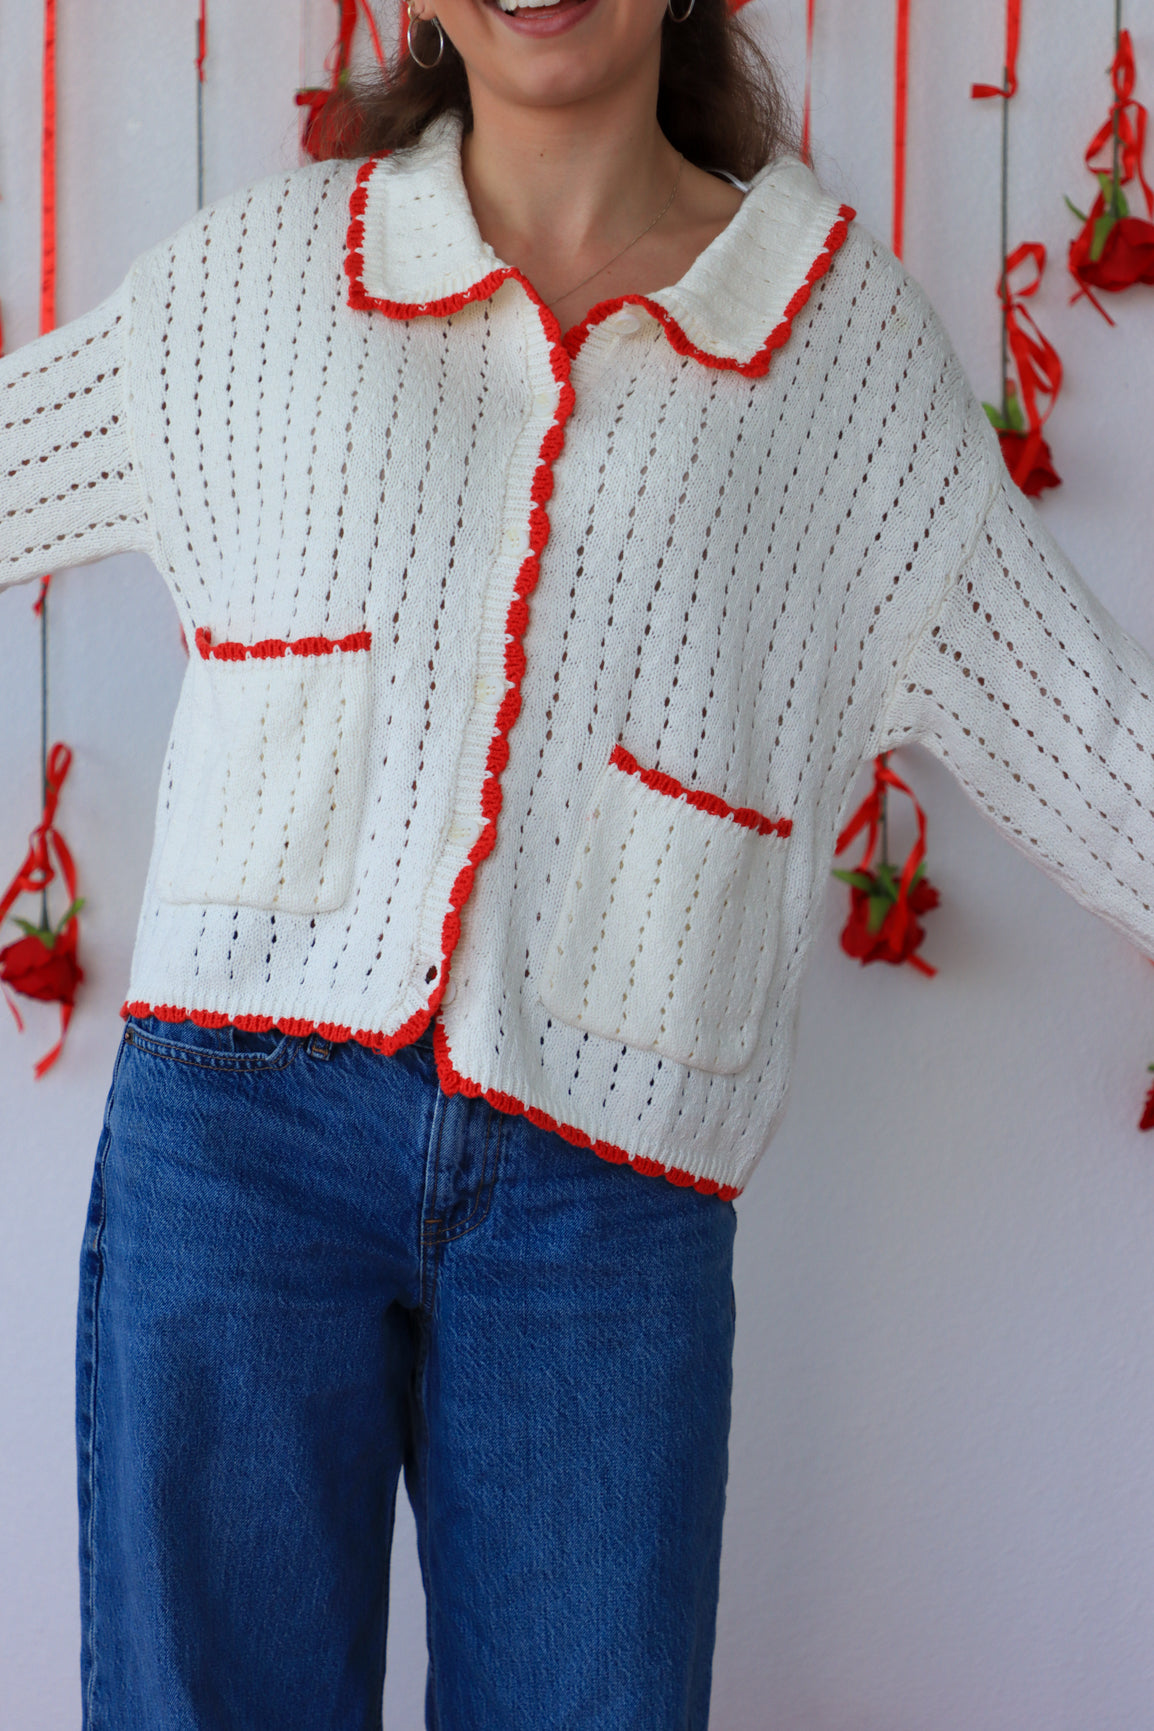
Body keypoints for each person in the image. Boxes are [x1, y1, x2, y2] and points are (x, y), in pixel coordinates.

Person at [2, 0, 1153, 1724]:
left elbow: (1091, 735)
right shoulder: (260, 280)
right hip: (236, 1148)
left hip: (602, 1198)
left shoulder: (837, 357)